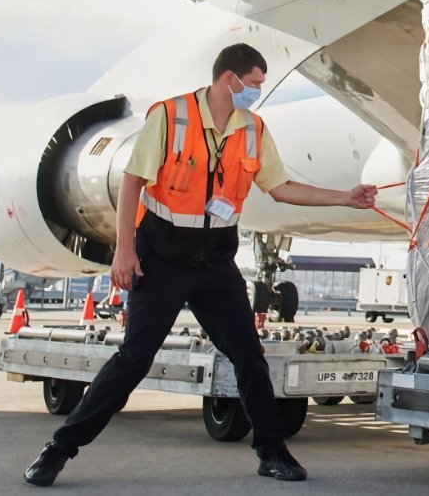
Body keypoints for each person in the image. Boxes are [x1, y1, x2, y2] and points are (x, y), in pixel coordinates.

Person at [24, 44, 378, 486]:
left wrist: (345, 197)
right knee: (133, 360)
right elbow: (133, 180)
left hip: (214, 261)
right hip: (162, 258)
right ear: (228, 79)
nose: (257, 92)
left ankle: (272, 452)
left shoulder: (252, 128)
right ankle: (58, 450)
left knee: (250, 355)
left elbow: (282, 187)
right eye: (253, 84)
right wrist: (124, 249)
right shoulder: (170, 117)